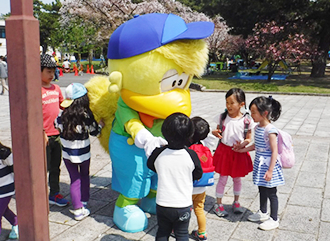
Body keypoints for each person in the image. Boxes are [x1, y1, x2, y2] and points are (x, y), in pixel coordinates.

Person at [147, 113, 203, 241]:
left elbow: (150, 164)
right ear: (190, 135)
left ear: (164, 132)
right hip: (183, 205)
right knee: (182, 234)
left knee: (162, 232)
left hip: (163, 203)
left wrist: (163, 170)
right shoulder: (191, 155)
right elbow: (198, 173)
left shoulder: (158, 153)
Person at [54, 83, 104, 220]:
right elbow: (94, 132)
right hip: (83, 153)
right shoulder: (85, 115)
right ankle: (82, 204)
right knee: (84, 175)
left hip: (67, 153)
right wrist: (100, 125)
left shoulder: (62, 114)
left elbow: (56, 125)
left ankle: (78, 207)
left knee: (74, 179)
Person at [234, 96, 284, 231]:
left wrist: (270, 170)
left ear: (265, 113)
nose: (252, 116)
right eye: (251, 112)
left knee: (271, 192)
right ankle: (263, 212)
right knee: (262, 188)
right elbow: (257, 145)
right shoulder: (257, 127)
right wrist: (243, 150)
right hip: (260, 164)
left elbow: (275, 151)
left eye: (254, 112)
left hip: (269, 165)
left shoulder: (270, 130)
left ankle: (274, 218)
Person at [212, 88, 254, 217]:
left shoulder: (247, 120)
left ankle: (236, 202)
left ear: (242, 104)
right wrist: (215, 132)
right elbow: (217, 130)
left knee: (237, 179)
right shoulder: (222, 117)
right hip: (225, 151)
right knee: (223, 178)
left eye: (232, 103)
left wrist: (244, 143)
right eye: (227, 102)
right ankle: (218, 204)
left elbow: (248, 137)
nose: (229, 106)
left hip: (239, 152)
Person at [41, 54, 69, 207]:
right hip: (42, 136)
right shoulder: (36, 90)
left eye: (53, 72)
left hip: (56, 135)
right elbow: (34, 113)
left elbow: (63, 105)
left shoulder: (56, 88)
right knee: (42, 168)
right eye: (48, 71)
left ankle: (54, 193)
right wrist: (42, 132)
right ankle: (39, 195)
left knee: (55, 167)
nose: (52, 75)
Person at [189, 117, 214, 241]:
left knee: (185, 210)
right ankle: (202, 233)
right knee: (199, 209)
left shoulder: (187, 148)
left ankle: (176, 229)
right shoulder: (205, 145)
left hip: (189, 187)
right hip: (202, 187)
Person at [0, 142, 18, 239]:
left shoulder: (3, 153)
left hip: (5, 189)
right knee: (3, 209)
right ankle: (16, 222)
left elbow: (15, 166)